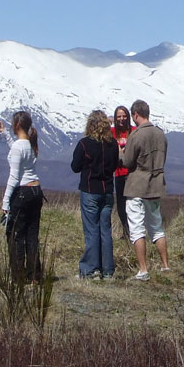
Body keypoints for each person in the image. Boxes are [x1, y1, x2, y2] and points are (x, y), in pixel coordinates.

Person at [121, 99, 170, 280]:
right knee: (157, 228)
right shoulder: (160, 134)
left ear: (135, 114)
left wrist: (121, 152)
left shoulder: (136, 135)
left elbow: (127, 162)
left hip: (137, 187)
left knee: (137, 229)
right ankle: (165, 265)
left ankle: (143, 270)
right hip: (156, 186)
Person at [71, 110, 118, 280]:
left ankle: (90, 269)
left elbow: (75, 167)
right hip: (107, 192)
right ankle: (107, 270)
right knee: (105, 230)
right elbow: (114, 166)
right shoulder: (113, 144)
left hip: (90, 190)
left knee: (91, 230)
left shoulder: (85, 144)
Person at [1, 111, 43, 283]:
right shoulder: (30, 145)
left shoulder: (19, 147)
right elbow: (17, 150)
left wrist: (5, 202)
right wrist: (5, 134)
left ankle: (18, 275)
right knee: (32, 234)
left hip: (22, 193)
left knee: (16, 235)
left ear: (17, 125)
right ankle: (34, 275)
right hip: (36, 191)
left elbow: (14, 176)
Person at [110, 106, 133, 240]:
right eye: (118, 116)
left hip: (131, 174)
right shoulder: (112, 132)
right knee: (120, 205)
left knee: (132, 204)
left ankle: (133, 232)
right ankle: (126, 231)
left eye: (124, 116)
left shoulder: (133, 131)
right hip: (118, 174)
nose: (121, 119)